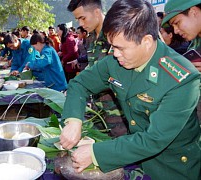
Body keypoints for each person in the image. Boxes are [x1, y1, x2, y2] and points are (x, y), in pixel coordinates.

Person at [60, 0, 201, 179]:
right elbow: (80, 84)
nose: (115, 53)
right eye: (112, 46)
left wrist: (95, 153)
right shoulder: (116, 62)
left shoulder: (182, 78)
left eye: (120, 48)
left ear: (147, 41)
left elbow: (154, 139)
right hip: (136, 162)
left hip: (173, 169)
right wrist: (73, 121)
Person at [67, 0, 127, 137]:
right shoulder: (91, 39)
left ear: (96, 12)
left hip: (119, 115)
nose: (81, 24)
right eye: (78, 20)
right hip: (98, 112)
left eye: (83, 18)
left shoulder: (116, 35)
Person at [162, 0, 201, 71]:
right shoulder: (194, 45)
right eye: (173, 26)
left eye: (177, 23)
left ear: (193, 12)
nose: (175, 31)